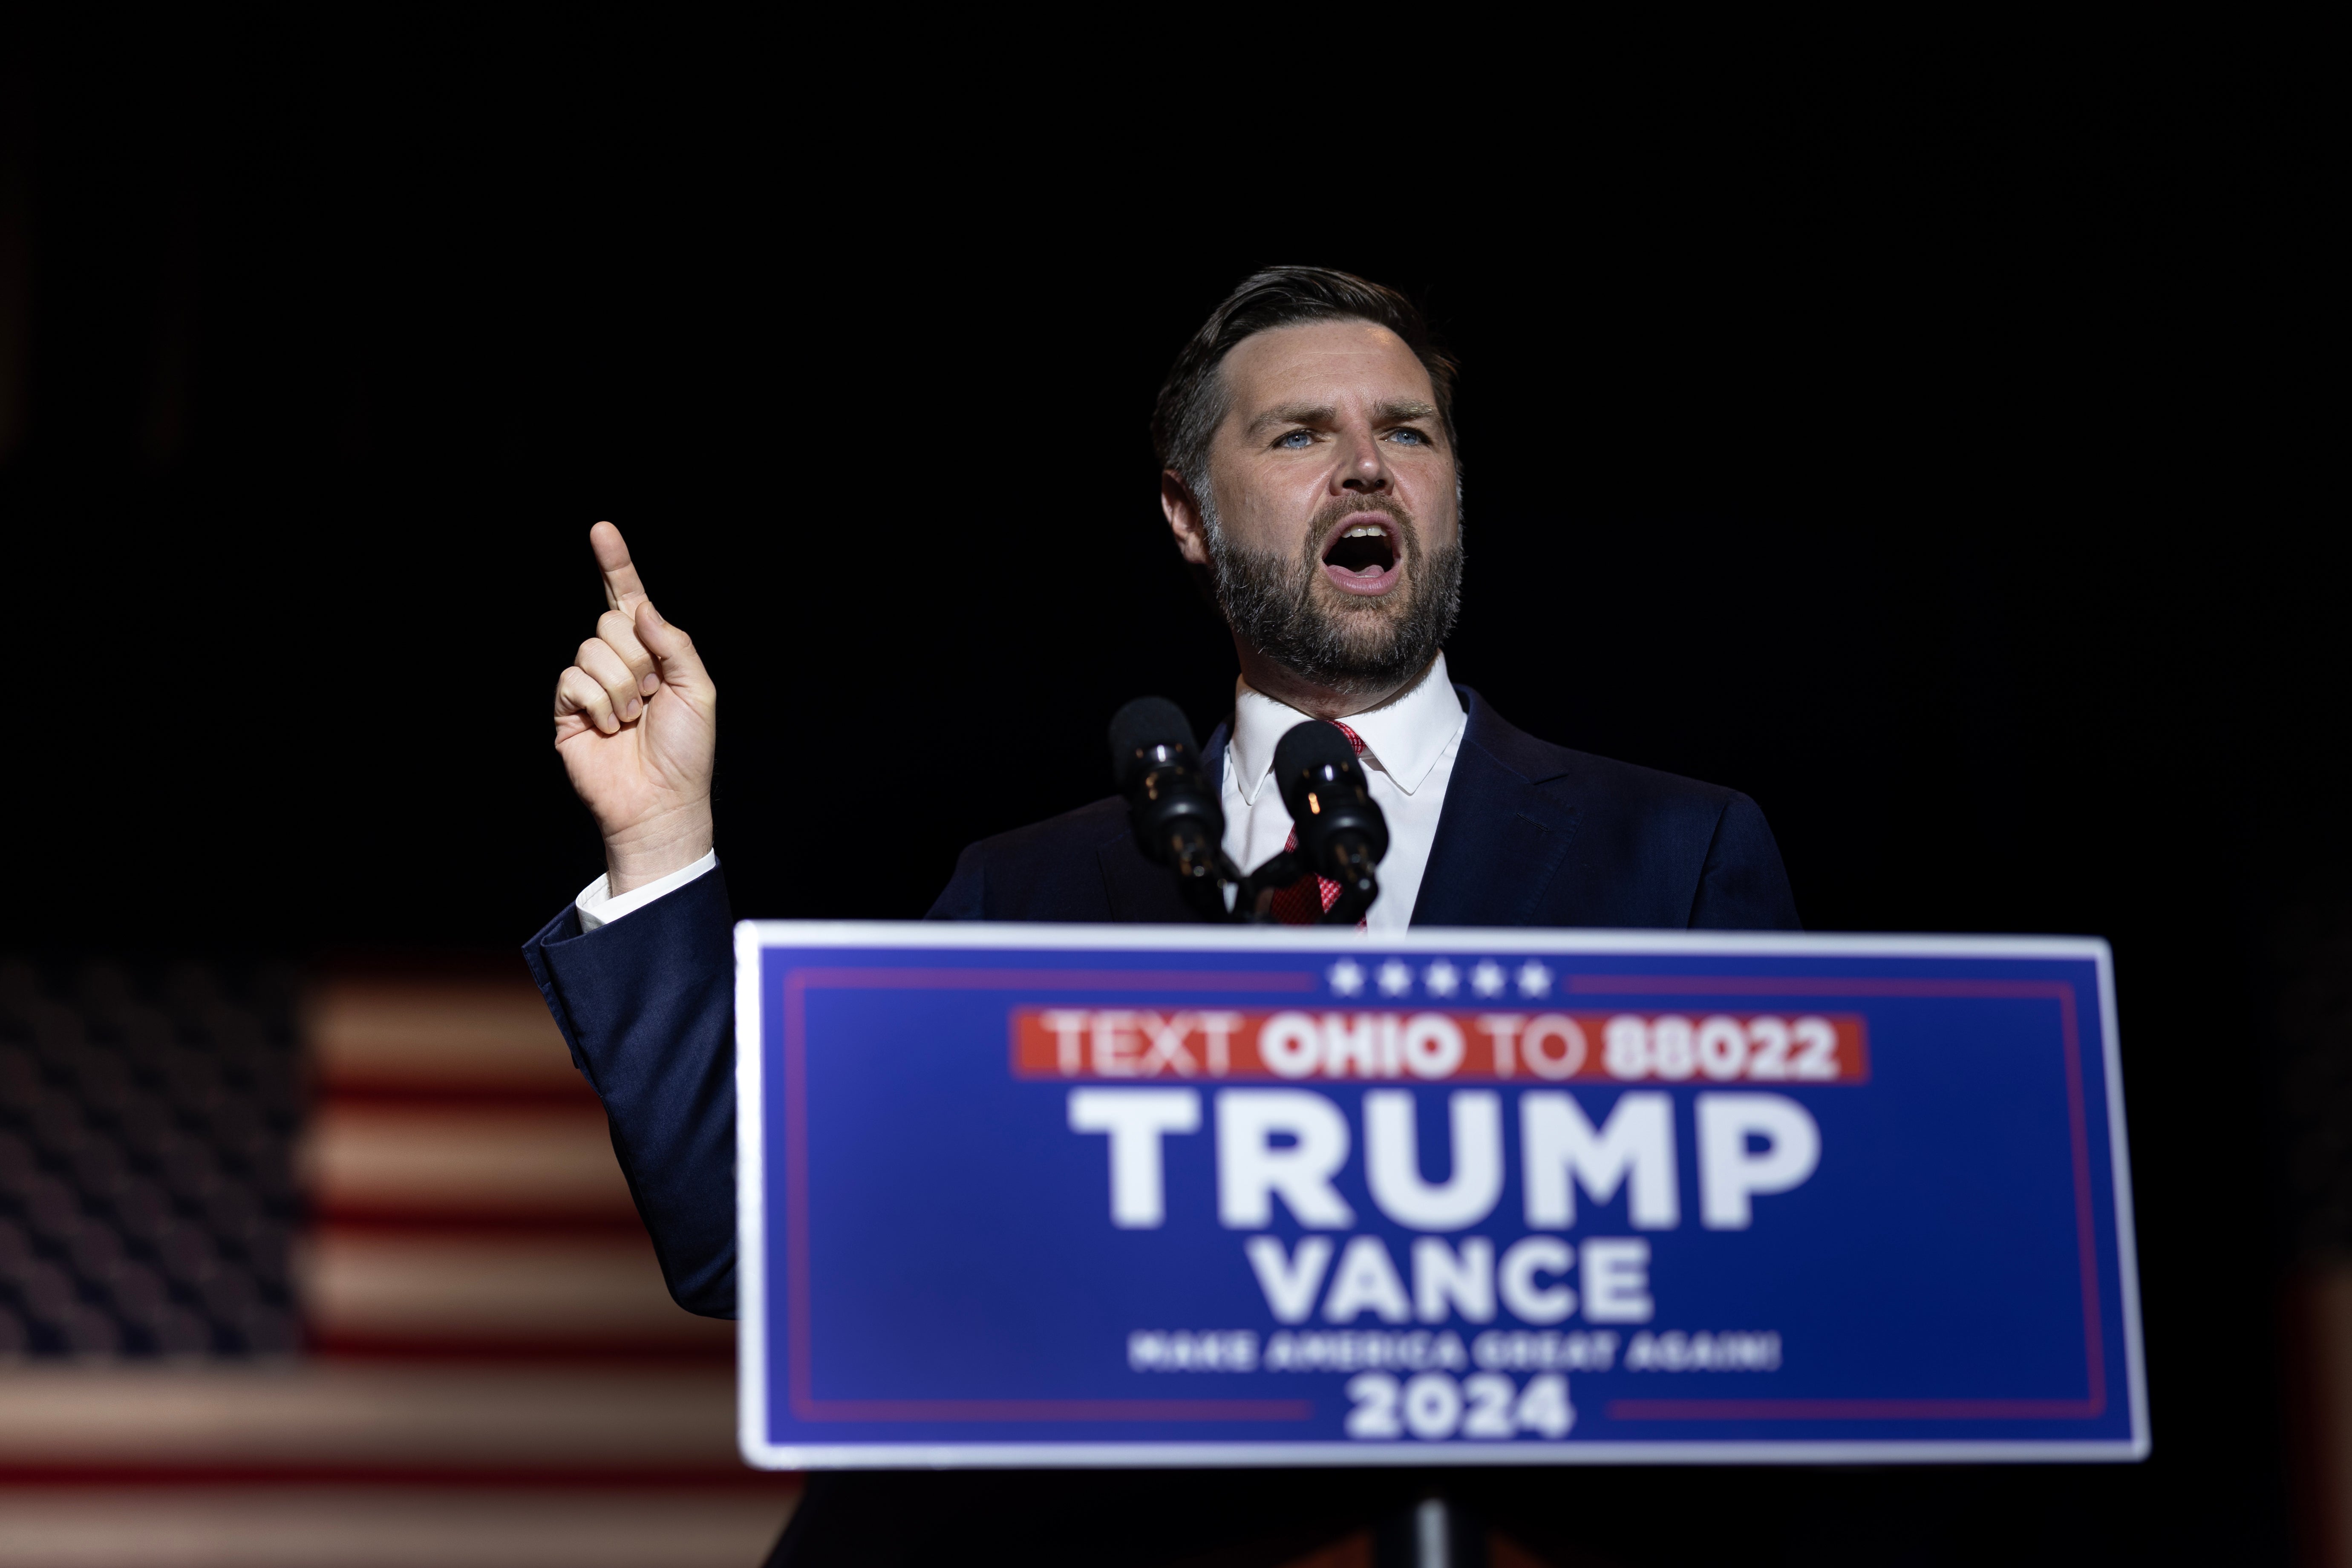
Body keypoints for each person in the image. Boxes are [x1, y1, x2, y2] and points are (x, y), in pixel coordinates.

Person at [522, 267, 1799, 1561]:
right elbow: (763, 1245)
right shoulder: (1026, 899)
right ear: (1190, 516)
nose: (1366, 467)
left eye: (1407, 432)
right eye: (1301, 434)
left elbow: (1774, 1306)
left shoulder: (1672, 855)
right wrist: (660, 839)